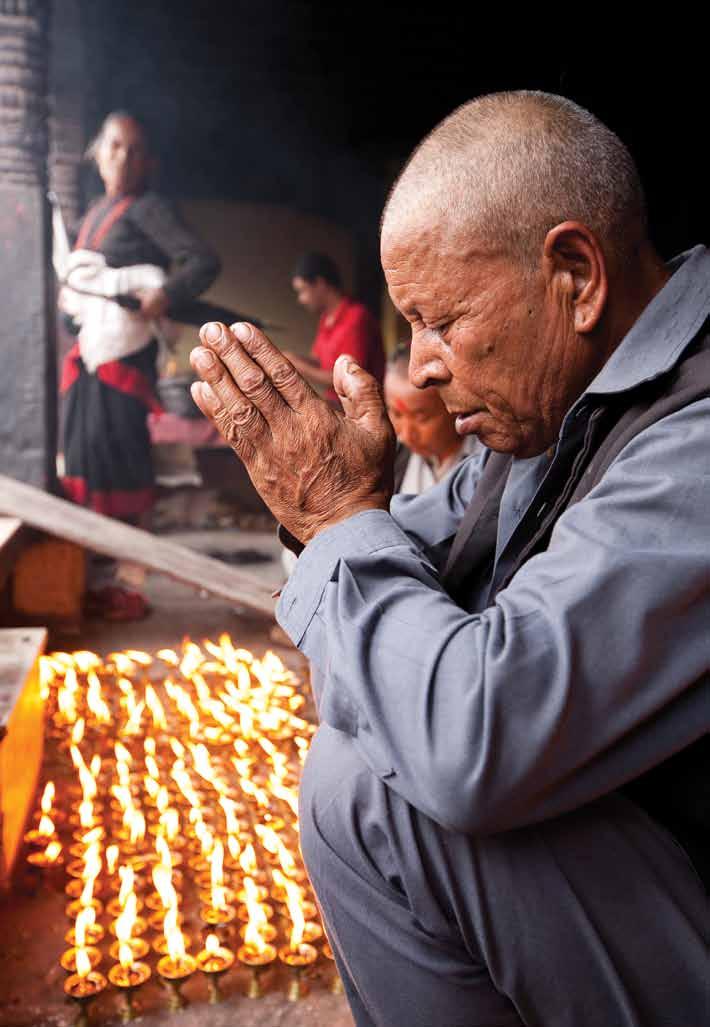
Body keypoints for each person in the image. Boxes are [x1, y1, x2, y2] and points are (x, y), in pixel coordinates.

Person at [189, 91, 709, 1027]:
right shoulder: (556, 411)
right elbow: (402, 555)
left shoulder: (697, 433)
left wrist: (341, 519)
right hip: (655, 875)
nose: (420, 365)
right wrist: (336, 514)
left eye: (438, 317)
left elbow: (474, 737)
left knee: (377, 798)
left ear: (575, 275)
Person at [59, 111, 220, 620]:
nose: (122, 157)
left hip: (123, 364)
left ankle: (129, 585)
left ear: (147, 161)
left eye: (133, 149)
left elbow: (202, 260)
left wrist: (164, 294)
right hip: (88, 359)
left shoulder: (149, 209)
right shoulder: (91, 213)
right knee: (85, 465)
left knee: (123, 468)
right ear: (96, 152)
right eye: (113, 146)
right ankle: (91, 581)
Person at [286, 252, 384, 406]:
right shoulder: (326, 318)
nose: (301, 299)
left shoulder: (356, 317)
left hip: (361, 407)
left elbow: (350, 379)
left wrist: (298, 366)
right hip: (337, 403)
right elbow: (318, 361)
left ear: (320, 284)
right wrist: (290, 359)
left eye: (303, 290)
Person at [385, 344, 481, 493]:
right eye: (397, 414)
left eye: (421, 418)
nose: (406, 435)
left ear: (456, 406)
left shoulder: (488, 463)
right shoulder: (392, 460)